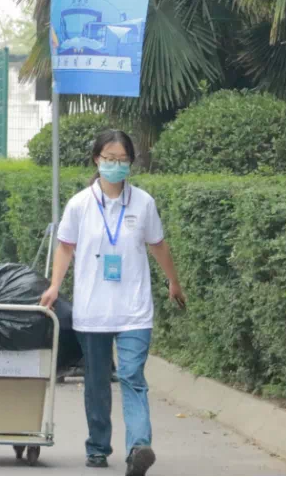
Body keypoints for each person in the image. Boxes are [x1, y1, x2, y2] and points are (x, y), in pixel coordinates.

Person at [40, 129, 186, 476]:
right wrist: (54, 286)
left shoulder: (143, 203)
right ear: (97, 159)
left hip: (135, 309)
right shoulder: (80, 204)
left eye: (123, 160)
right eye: (110, 159)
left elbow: (157, 244)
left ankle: (139, 446)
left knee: (132, 375)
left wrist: (173, 281)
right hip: (93, 311)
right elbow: (65, 247)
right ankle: (97, 446)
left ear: (131, 163)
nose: (116, 165)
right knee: (96, 382)